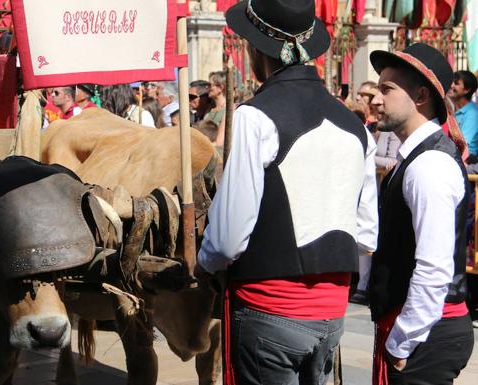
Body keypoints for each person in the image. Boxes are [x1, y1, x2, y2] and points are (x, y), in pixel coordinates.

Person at [196, 1, 378, 384]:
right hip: (332, 313)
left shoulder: (255, 116)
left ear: (255, 49)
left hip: (268, 312)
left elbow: (228, 240)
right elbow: (367, 233)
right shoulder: (356, 127)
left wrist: (205, 263)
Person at [368, 43, 474, 385]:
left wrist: (402, 341)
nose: (375, 99)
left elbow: (434, 266)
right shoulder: (417, 157)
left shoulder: (430, 166)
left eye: (387, 89)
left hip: (427, 332)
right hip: (419, 328)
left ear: (421, 96)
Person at [448, 71, 478, 156]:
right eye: (451, 82)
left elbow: (461, 145)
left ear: (467, 90)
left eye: (456, 83)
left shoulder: (472, 114)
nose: (451, 86)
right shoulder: (452, 109)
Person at [205, 71, 227, 145]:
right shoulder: (209, 108)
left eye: (210, 85)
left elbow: (219, 142)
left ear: (220, 88)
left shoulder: (228, 110)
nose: (207, 88)